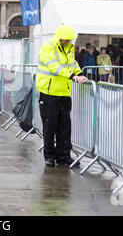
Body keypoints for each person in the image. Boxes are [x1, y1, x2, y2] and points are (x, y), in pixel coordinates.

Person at [36, 25, 88, 168]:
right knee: (49, 127)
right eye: (66, 40)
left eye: (70, 40)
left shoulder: (69, 48)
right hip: (49, 92)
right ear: (60, 38)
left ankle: (64, 157)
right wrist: (72, 76)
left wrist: (78, 73)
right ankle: (49, 157)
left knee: (64, 127)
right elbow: (54, 67)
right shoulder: (48, 48)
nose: (68, 42)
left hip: (64, 93)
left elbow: (72, 63)